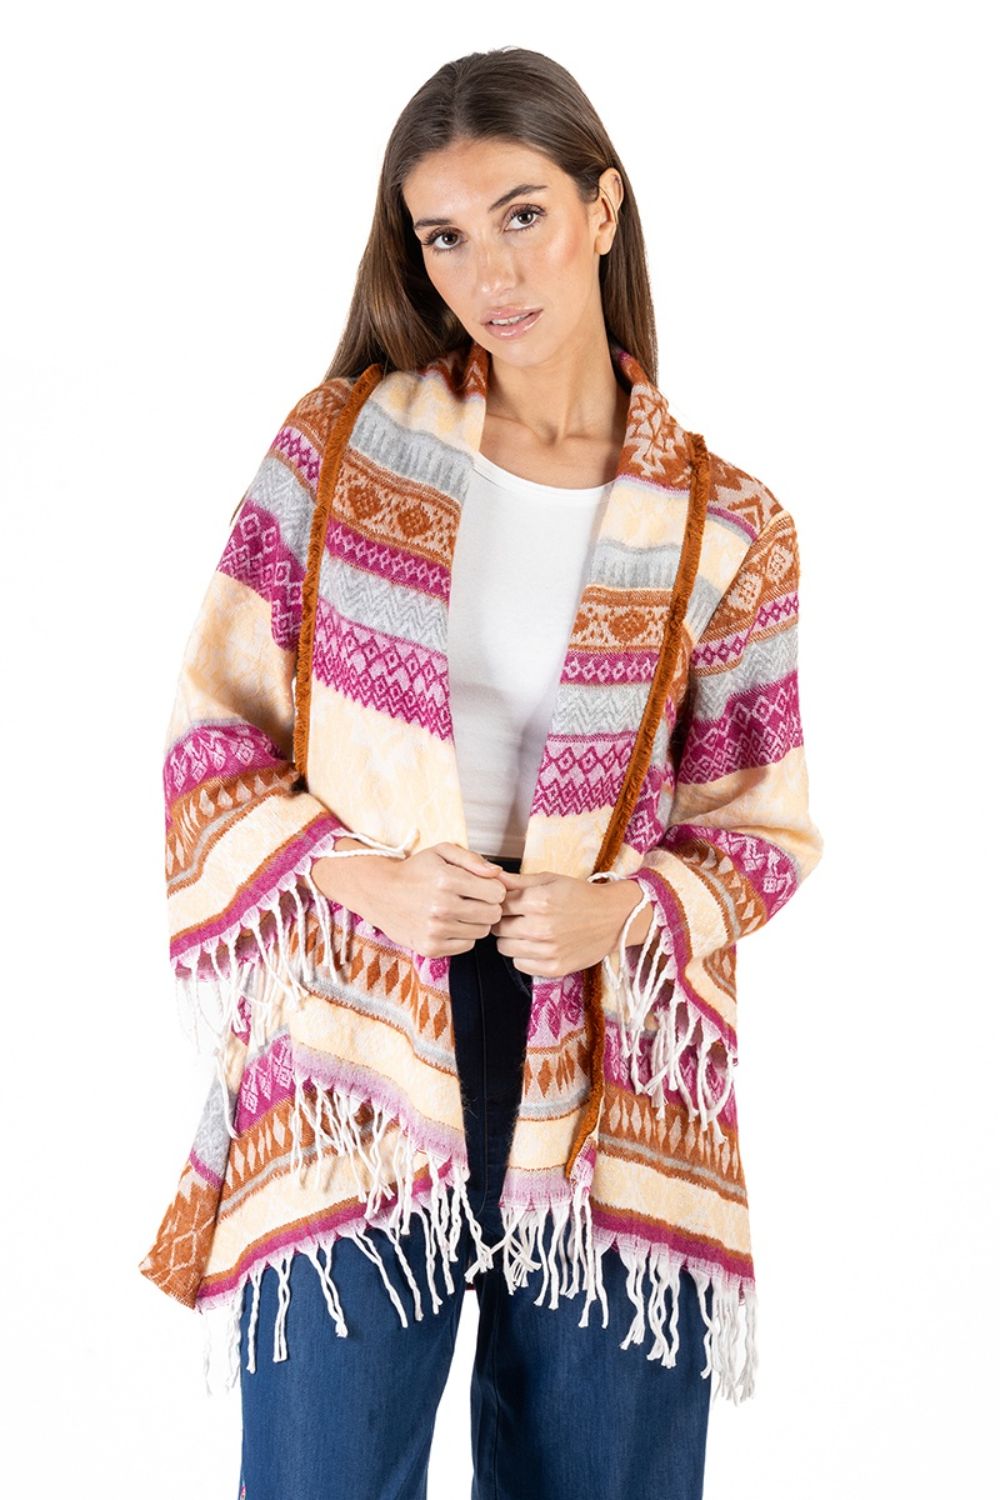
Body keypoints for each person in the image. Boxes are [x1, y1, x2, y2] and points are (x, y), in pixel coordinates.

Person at [139, 45, 823, 1500]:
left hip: (612, 1060)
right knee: (324, 1475)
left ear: (602, 208)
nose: (489, 272)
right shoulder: (340, 454)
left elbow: (760, 826)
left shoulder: (726, 525)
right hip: (358, 1046)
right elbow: (211, 741)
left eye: (522, 215)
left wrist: (625, 909)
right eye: (443, 236)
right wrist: (360, 875)